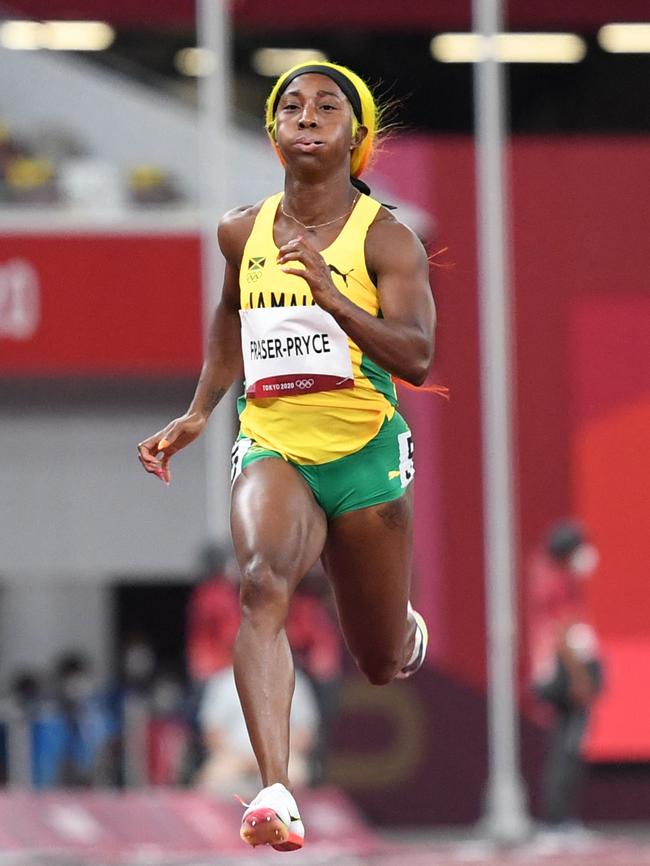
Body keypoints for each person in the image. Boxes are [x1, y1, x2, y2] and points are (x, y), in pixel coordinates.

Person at [137, 60, 436, 852]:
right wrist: (201, 410)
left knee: (377, 660)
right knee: (262, 581)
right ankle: (274, 790)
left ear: (355, 136)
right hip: (274, 438)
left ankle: (401, 628)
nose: (307, 116)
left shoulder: (388, 240)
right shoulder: (243, 230)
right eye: (291, 106)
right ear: (273, 133)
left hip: (364, 453)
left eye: (327, 106)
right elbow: (231, 314)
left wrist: (335, 300)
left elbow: (419, 357)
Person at [526, 519, 603, 841]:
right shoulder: (554, 579)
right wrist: (580, 677)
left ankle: (562, 821)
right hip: (563, 672)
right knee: (567, 745)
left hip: (561, 668)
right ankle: (558, 822)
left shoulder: (551, 573)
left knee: (567, 743)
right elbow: (562, 634)